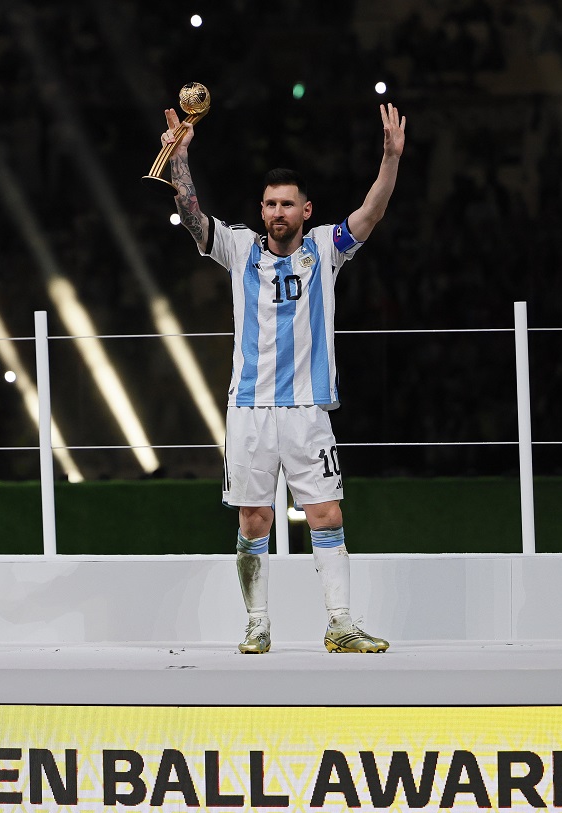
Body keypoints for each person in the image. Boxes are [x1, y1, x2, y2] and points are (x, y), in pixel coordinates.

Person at [161, 102, 406, 654]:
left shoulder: (324, 249)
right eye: (270, 203)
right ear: (262, 209)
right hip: (248, 408)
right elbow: (193, 217)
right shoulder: (239, 247)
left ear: (305, 210)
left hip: (307, 408)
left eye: (287, 204)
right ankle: (257, 623)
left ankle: (340, 624)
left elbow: (371, 212)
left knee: (326, 513)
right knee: (253, 520)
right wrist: (178, 159)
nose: (277, 211)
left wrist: (390, 158)